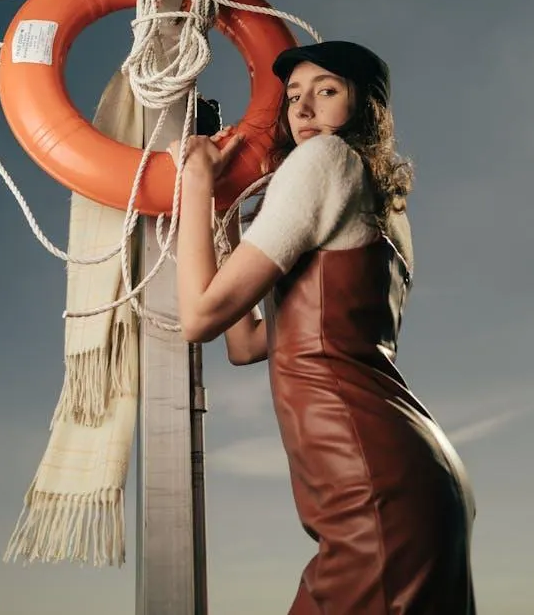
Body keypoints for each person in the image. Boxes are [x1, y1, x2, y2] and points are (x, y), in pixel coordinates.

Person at [169, 40, 477, 615]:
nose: (304, 110)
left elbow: (199, 318)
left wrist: (194, 181)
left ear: (364, 108)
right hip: (416, 479)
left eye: (326, 92)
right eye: (293, 97)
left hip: (375, 493)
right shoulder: (386, 205)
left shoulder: (325, 160)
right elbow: (247, 342)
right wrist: (223, 218)